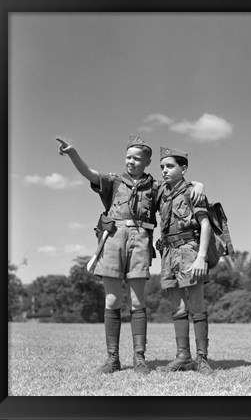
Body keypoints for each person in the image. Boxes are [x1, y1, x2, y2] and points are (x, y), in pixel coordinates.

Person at [55, 135, 204, 375]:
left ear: (147, 163)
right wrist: (73, 153)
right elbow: (89, 173)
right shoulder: (114, 182)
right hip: (113, 240)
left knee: (137, 301)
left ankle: (139, 358)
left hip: (140, 241)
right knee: (112, 300)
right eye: (128, 157)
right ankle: (112, 358)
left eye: (137, 158)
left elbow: (180, 185)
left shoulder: (156, 187)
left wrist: (199, 185)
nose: (131, 162)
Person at [155, 146, 214, 375]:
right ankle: (183, 357)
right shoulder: (161, 193)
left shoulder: (193, 192)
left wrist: (201, 258)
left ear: (184, 168)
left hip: (190, 251)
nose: (165, 171)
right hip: (168, 254)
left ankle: (201, 359)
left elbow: (206, 225)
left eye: (170, 166)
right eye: (162, 167)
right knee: (177, 308)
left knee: (197, 306)